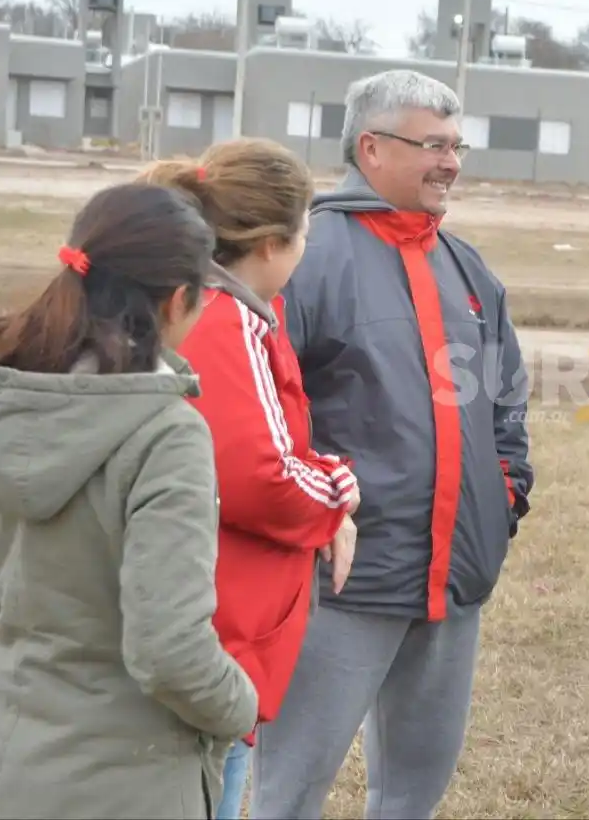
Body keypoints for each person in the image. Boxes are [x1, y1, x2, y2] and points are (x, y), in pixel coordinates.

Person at [248, 68, 534, 820]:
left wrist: (502, 497)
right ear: (370, 148)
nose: (453, 162)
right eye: (433, 145)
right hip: (342, 585)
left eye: (457, 145)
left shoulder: (468, 269)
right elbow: (264, 409)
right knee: (291, 788)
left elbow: (504, 399)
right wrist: (312, 524)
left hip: (453, 583)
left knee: (414, 792)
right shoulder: (303, 257)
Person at [0, 182, 259, 819]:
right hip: (130, 782)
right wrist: (241, 705)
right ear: (179, 302)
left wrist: (51, 620)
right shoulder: (166, 433)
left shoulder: (17, 388)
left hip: (6, 771)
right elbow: (169, 653)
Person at [136, 139, 362, 820]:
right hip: (219, 626)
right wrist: (338, 493)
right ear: (270, 243)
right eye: (303, 235)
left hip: (205, 612)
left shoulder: (203, 307)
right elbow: (255, 472)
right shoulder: (225, 318)